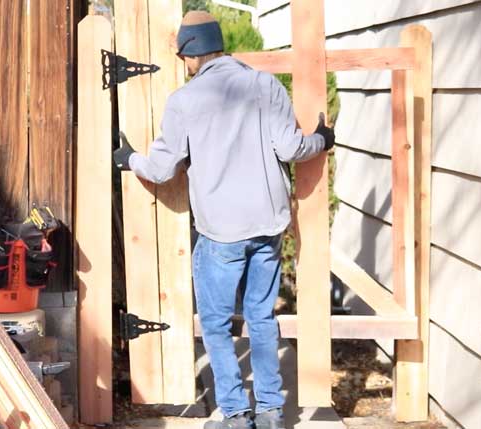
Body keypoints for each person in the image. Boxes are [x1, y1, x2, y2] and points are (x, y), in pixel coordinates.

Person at [114, 10, 334, 429]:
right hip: (268, 226)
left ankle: (235, 415)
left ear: (189, 56)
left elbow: (162, 170)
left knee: (215, 324)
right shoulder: (264, 85)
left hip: (221, 236)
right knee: (261, 316)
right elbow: (291, 148)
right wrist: (323, 139)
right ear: (221, 46)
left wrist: (129, 160)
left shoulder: (184, 101)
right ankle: (270, 413)